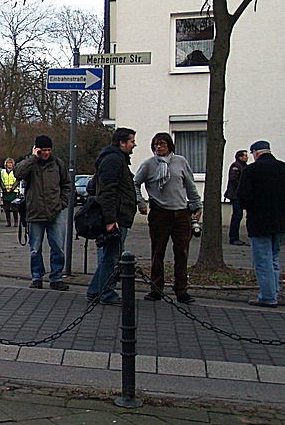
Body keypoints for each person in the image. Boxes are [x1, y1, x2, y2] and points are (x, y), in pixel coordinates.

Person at [134, 132, 202, 304]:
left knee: (182, 252)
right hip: (160, 213)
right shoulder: (149, 165)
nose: (159, 147)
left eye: (162, 144)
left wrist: (196, 205)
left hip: (181, 213)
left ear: (169, 145)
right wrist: (140, 201)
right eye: (156, 144)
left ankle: (181, 290)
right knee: (158, 252)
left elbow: (190, 185)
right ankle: (156, 289)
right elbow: (135, 183)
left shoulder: (180, 162)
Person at [237, 140, 285, 308]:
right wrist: (282, 205)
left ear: (256, 153)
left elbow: (243, 196)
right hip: (279, 219)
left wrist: (252, 206)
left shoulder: (251, 171)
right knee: (274, 257)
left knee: (262, 259)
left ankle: (267, 296)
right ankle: (274, 291)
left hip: (259, 220)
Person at [86, 127, 138, 306]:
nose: (134, 144)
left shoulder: (117, 159)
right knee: (112, 256)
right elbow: (107, 192)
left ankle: (95, 290)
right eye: (131, 141)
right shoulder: (113, 160)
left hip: (119, 215)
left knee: (110, 255)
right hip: (115, 217)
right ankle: (106, 292)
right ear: (122, 142)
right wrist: (110, 220)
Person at [14, 135, 72, 291]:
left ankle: (56, 277)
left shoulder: (58, 164)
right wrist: (33, 158)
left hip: (55, 211)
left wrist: (62, 202)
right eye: (43, 150)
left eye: (48, 150)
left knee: (58, 247)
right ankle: (37, 276)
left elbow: (67, 184)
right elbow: (18, 173)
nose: (46, 153)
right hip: (34, 212)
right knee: (35, 248)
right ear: (37, 149)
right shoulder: (30, 164)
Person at [224, 150, 248, 246]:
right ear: (240, 157)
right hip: (235, 195)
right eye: (245, 156)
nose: (247, 157)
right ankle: (233, 238)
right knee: (237, 216)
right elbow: (233, 179)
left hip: (239, 195)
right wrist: (242, 188)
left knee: (238, 216)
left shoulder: (243, 166)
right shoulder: (236, 166)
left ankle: (235, 237)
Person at [0, 157, 20, 227]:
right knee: (6, 208)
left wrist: (12, 188)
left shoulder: (15, 171)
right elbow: (1, 181)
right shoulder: (2, 172)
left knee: (14, 208)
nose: (10, 164)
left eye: (11, 163)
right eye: (8, 163)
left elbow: (17, 180)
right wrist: (4, 189)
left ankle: (16, 221)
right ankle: (8, 222)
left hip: (13, 192)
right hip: (5, 192)